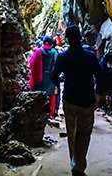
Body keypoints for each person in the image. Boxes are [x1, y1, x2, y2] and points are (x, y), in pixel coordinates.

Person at [51, 25, 101, 176]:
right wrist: (98, 95)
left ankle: (75, 163)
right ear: (80, 37)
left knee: (71, 133)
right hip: (87, 100)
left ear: (67, 38)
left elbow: (53, 76)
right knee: (84, 134)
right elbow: (99, 75)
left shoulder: (63, 57)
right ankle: (79, 166)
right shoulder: (90, 56)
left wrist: (61, 80)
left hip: (70, 100)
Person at [29, 36, 59, 117]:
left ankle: (38, 113)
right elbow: (57, 66)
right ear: (52, 44)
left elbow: (32, 63)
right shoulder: (54, 52)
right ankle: (50, 113)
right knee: (51, 95)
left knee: (38, 95)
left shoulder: (38, 51)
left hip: (40, 76)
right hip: (50, 77)